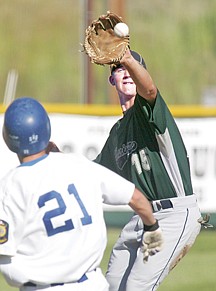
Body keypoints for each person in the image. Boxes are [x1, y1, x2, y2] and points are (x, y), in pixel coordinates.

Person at [0, 97, 163, 291]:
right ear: (47, 129)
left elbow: (7, 265)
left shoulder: (10, 185)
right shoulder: (79, 164)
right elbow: (136, 198)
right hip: (91, 284)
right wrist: (152, 227)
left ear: (7, 138)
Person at [94, 48, 203, 290]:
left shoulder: (150, 111)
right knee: (112, 283)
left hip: (175, 214)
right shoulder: (117, 133)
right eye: (119, 69)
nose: (127, 72)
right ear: (111, 79)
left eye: (133, 68)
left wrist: (126, 59)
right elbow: (94, 174)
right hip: (143, 217)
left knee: (137, 286)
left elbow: (150, 90)